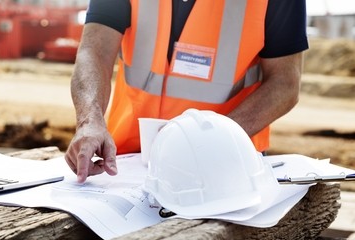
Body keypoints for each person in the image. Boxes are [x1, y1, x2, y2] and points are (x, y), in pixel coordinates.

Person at [65, 0, 309, 183]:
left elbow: (285, 83)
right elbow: (94, 51)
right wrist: (90, 121)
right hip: (128, 162)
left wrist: (209, 139)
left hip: (224, 165)